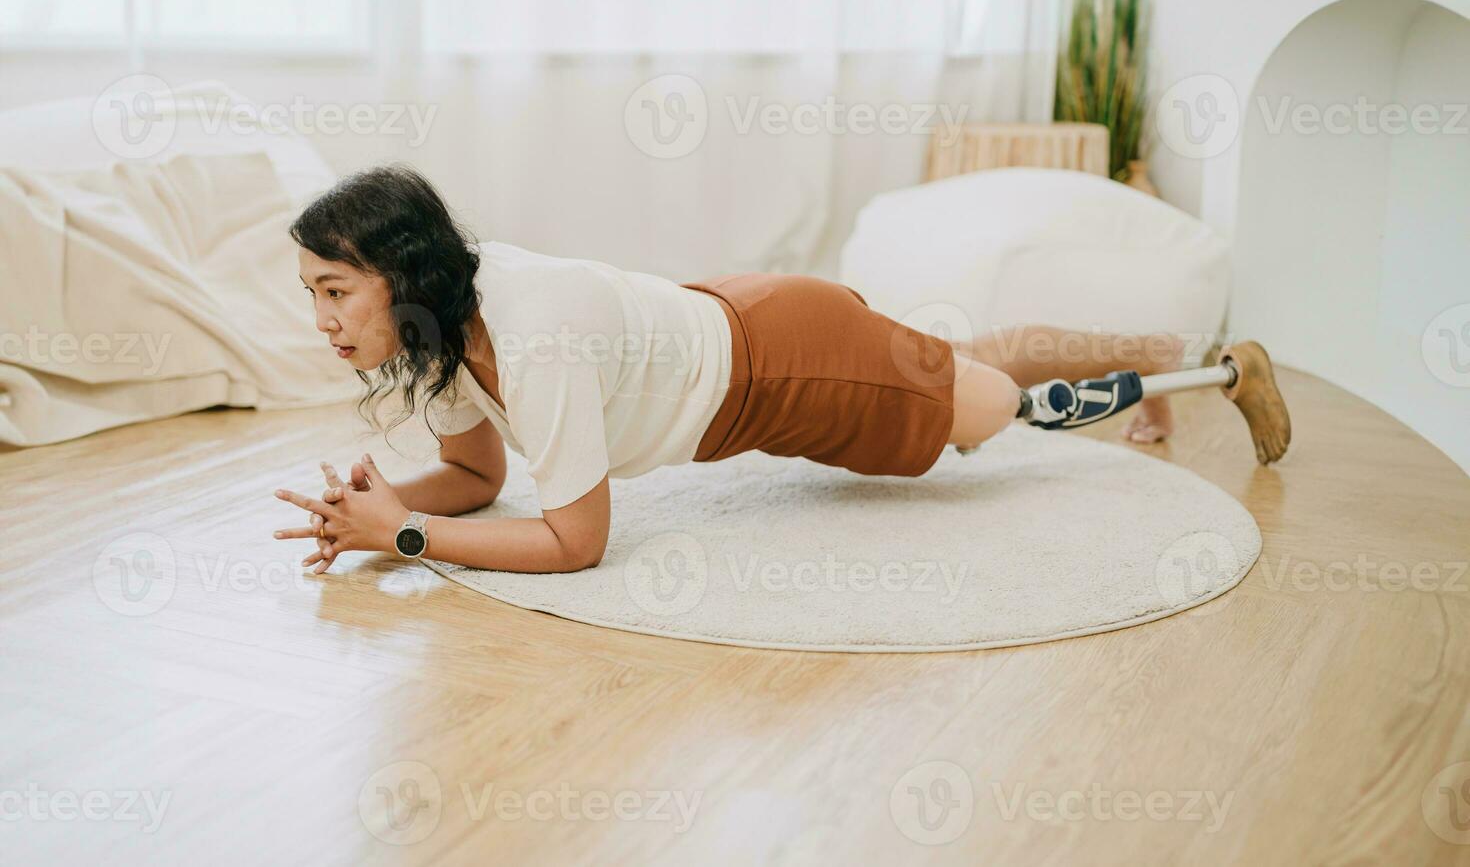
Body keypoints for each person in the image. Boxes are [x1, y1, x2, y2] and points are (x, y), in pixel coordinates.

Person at [272, 166, 1186, 575]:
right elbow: (479, 475)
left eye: (336, 291)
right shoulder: (443, 329)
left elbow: (575, 543)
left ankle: (1160, 361)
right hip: (728, 318)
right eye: (313, 292)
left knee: (992, 404)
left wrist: (406, 537)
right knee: (968, 366)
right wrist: (383, 507)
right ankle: (1148, 350)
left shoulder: (528, 332)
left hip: (785, 364)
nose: (322, 320)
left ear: (403, 275)